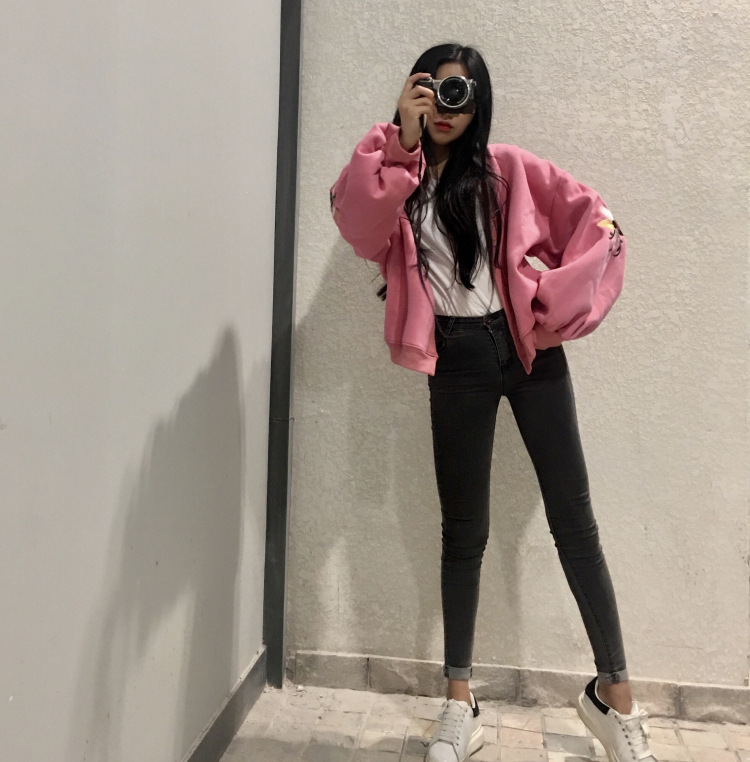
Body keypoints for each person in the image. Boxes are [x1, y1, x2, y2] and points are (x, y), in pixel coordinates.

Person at [330, 43, 656, 762]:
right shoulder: (397, 178)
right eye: (434, 91)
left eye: (462, 94)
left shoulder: (508, 169)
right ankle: (459, 701)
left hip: (529, 353)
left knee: (576, 522)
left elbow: (598, 224)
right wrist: (400, 141)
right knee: (463, 530)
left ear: (479, 102)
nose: (449, 108)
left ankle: (615, 697)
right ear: (413, 94)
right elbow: (356, 225)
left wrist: (554, 306)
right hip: (456, 361)